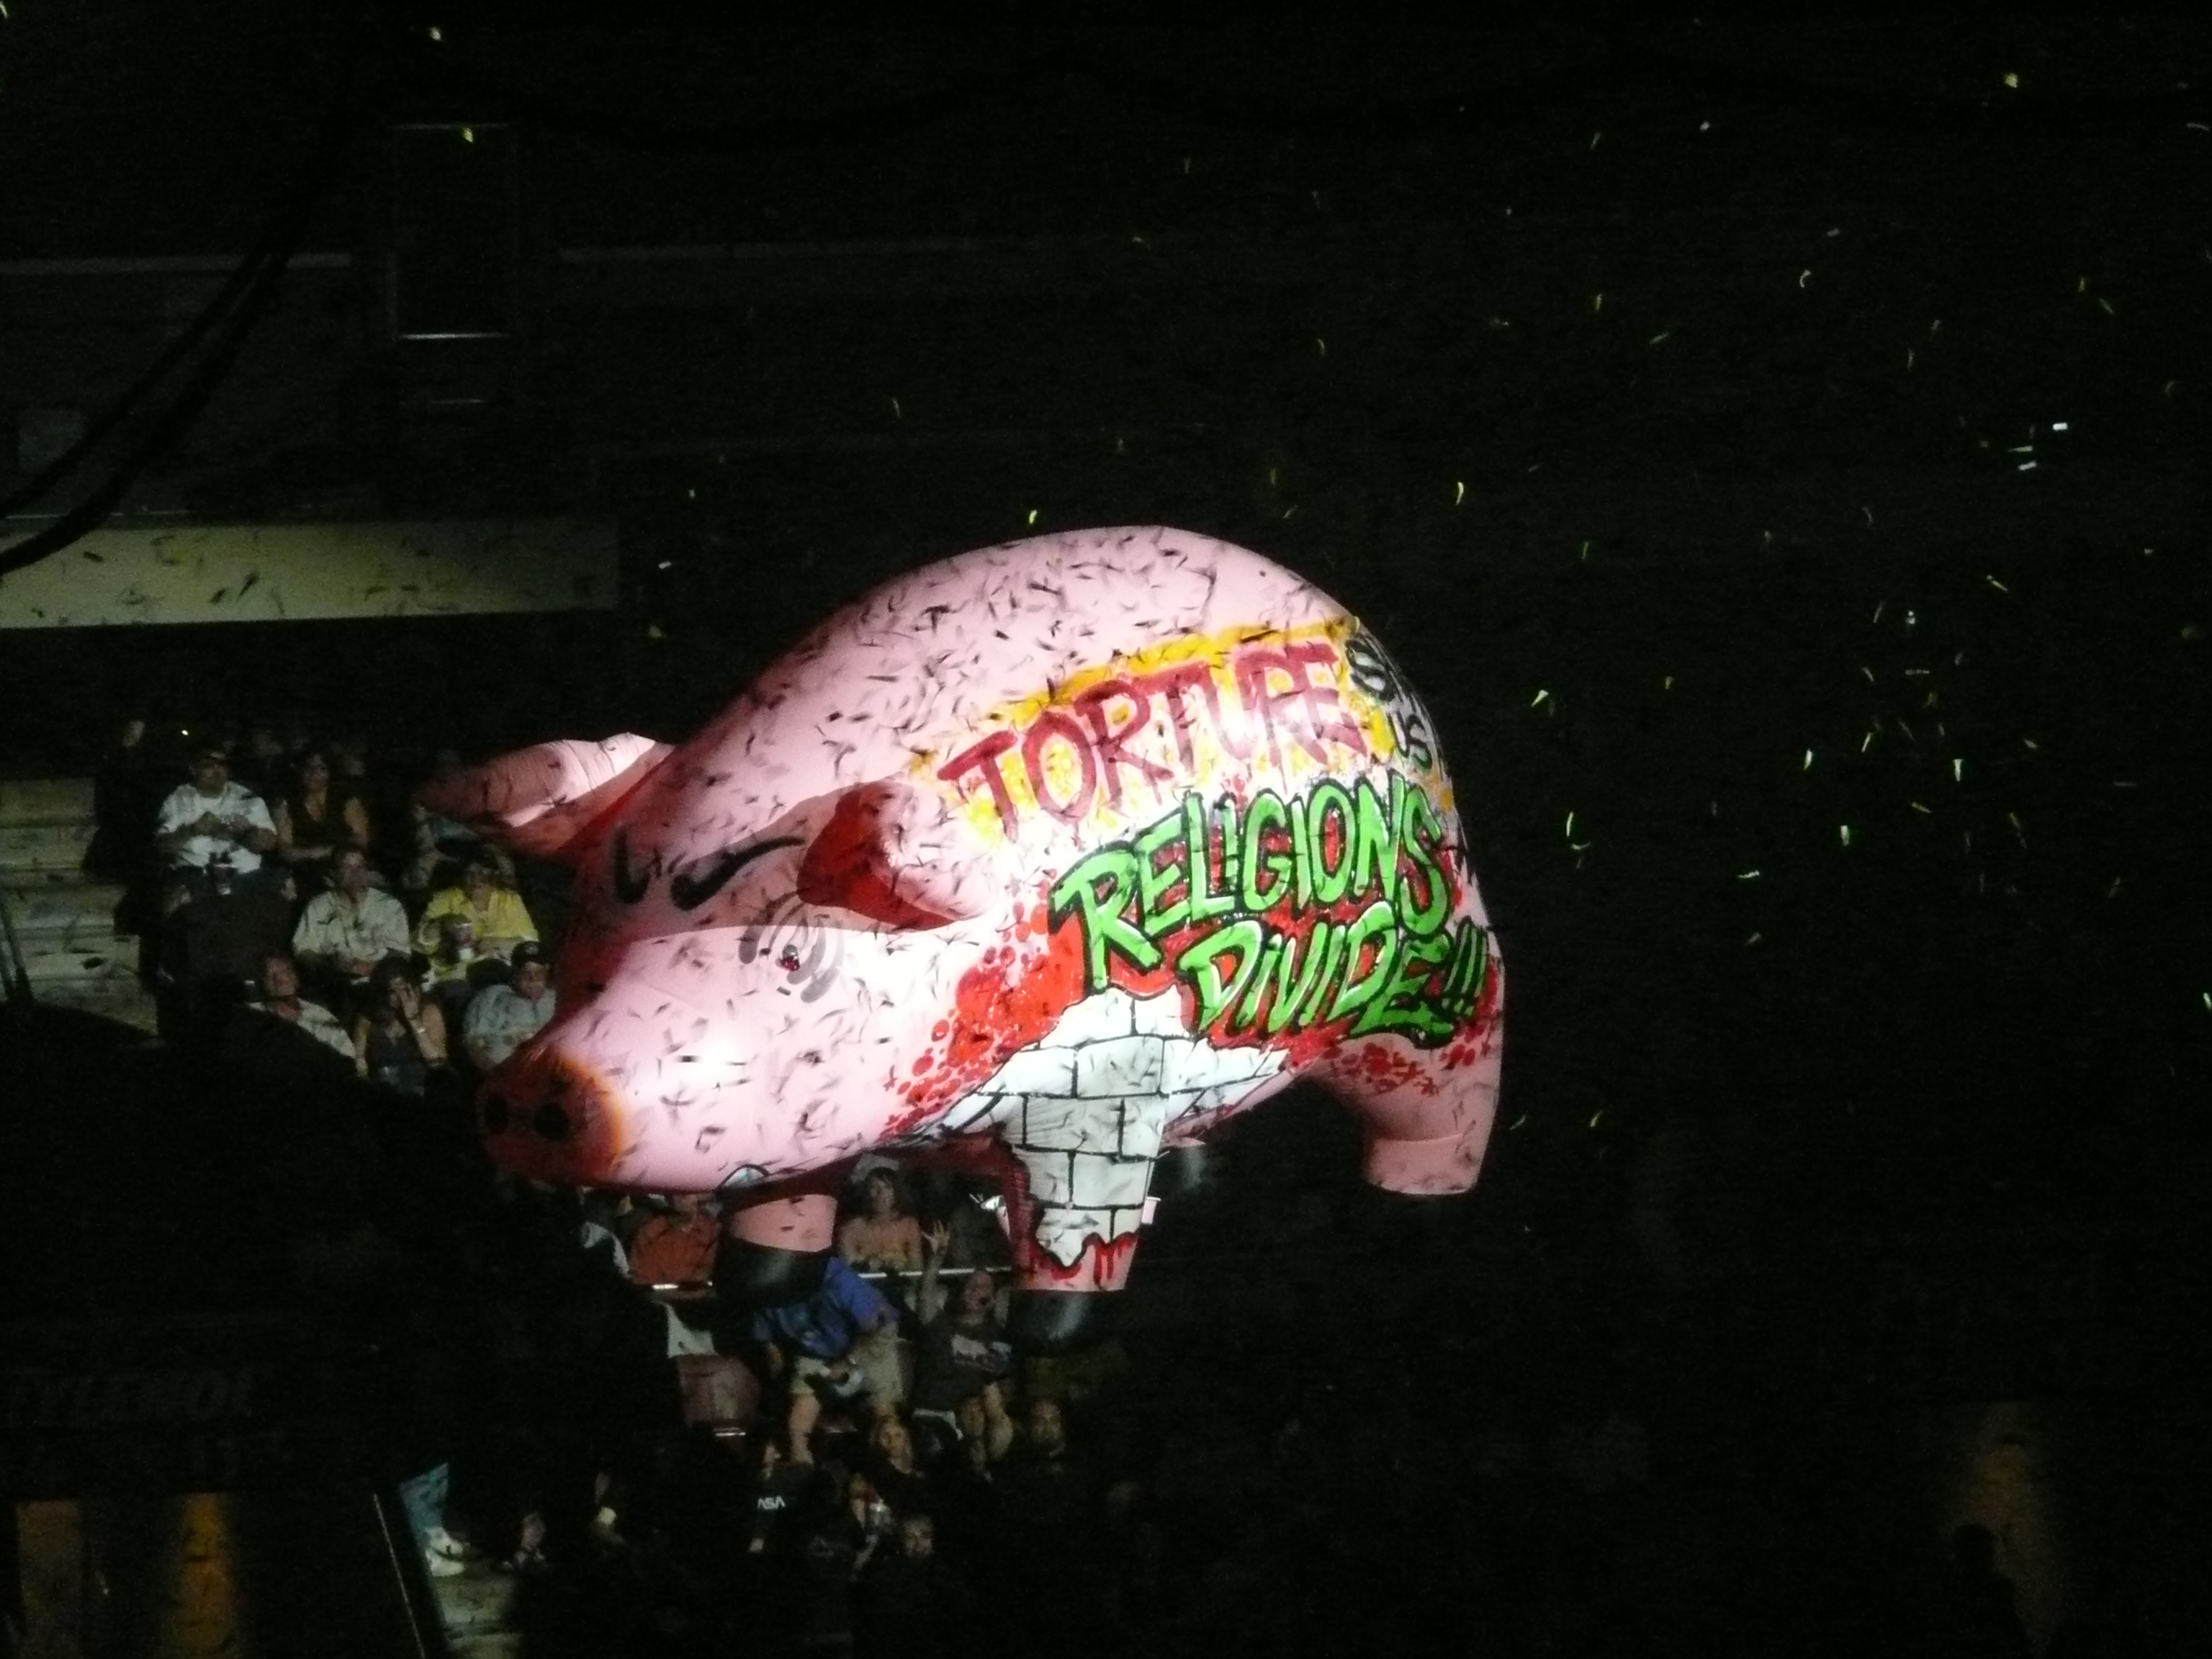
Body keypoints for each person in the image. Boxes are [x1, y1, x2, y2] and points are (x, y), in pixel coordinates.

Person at [749, 1255, 904, 1463]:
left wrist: (848, 1361)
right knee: (797, 1427)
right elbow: (770, 1347)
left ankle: (892, 1469)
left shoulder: (839, 1280)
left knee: (886, 1419)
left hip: (868, 1340)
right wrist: (784, 1389)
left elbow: (879, 1322)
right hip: (816, 1350)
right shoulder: (766, 1291)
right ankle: (802, 1470)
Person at [907, 1223, 1015, 1458]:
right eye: (971, 1285)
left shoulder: (997, 1337)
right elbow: (925, 1295)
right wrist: (938, 1257)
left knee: (1001, 1430)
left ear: (992, 1298)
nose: (976, 1290)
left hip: (974, 1414)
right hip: (933, 1412)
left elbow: (1004, 1388)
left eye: (983, 1287)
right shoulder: (941, 1324)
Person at [152, 741, 278, 898]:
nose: (217, 771)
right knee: (176, 894)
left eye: (223, 765)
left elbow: (269, 844)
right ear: (193, 768)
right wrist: (191, 830)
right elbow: (161, 848)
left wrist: (247, 833)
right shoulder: (177, 799)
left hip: (244, 876)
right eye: (209, 765)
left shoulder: (247, 798)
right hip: (196, 877)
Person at [291, 845, 410, 1012]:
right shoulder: (319, 906)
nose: (356, 873)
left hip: (381, 983)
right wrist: (331, 962)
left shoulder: (389, 906)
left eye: (361, 866)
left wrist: (374, 969)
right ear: (334, 873)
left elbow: (402, 952)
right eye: (347, 867)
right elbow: (303, 951)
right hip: (338, 984)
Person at [271, 749, 372, 889]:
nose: (314, 773)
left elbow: (361, 840)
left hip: (347, 868)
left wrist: (326, 852)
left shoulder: (346, 799)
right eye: (309, 767)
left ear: (331, 772)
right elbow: (286, 850)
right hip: (306, 872)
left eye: (322, 768)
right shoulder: (285, 804)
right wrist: (315, 854)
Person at [351, 956, 449, 1094]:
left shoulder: (428, 1012)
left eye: (403, 989)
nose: (399, 996)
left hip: (423, 1088)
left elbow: (438, 1060)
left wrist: (413, 1020)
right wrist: (365, 1084)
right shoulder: (367, 1019)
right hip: (385, 1091)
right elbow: (359, 1058)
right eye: (392, 991)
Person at [244, 949, 356, 1062]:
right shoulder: (250, 1015)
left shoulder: (319, 1014)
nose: (282, 979)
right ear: (261, 983)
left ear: (296, 978)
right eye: (272, 975)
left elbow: (347, 1054)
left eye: (286, 971)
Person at [462, 942, 557, 1073]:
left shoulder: (557, 998)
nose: (533, 978)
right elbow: (473, 1043)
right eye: (525, 973)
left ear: (547, 971)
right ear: (514, 972)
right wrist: (496, 1072)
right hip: (507, 1070)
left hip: (552, 1069)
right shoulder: (492, 996)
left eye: (539, 973)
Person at [835, 1166, 926, 1274]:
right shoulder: (851, 1229)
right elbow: (847, 1270)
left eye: (887, 1187)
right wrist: (868, 1265)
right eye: (874, 1187)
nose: (881, 1193)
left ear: (896, 1193)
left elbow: (917, 1269)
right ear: (867, 1192)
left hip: (900, 1282)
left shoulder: (909, 1225)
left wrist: (902, 1267)